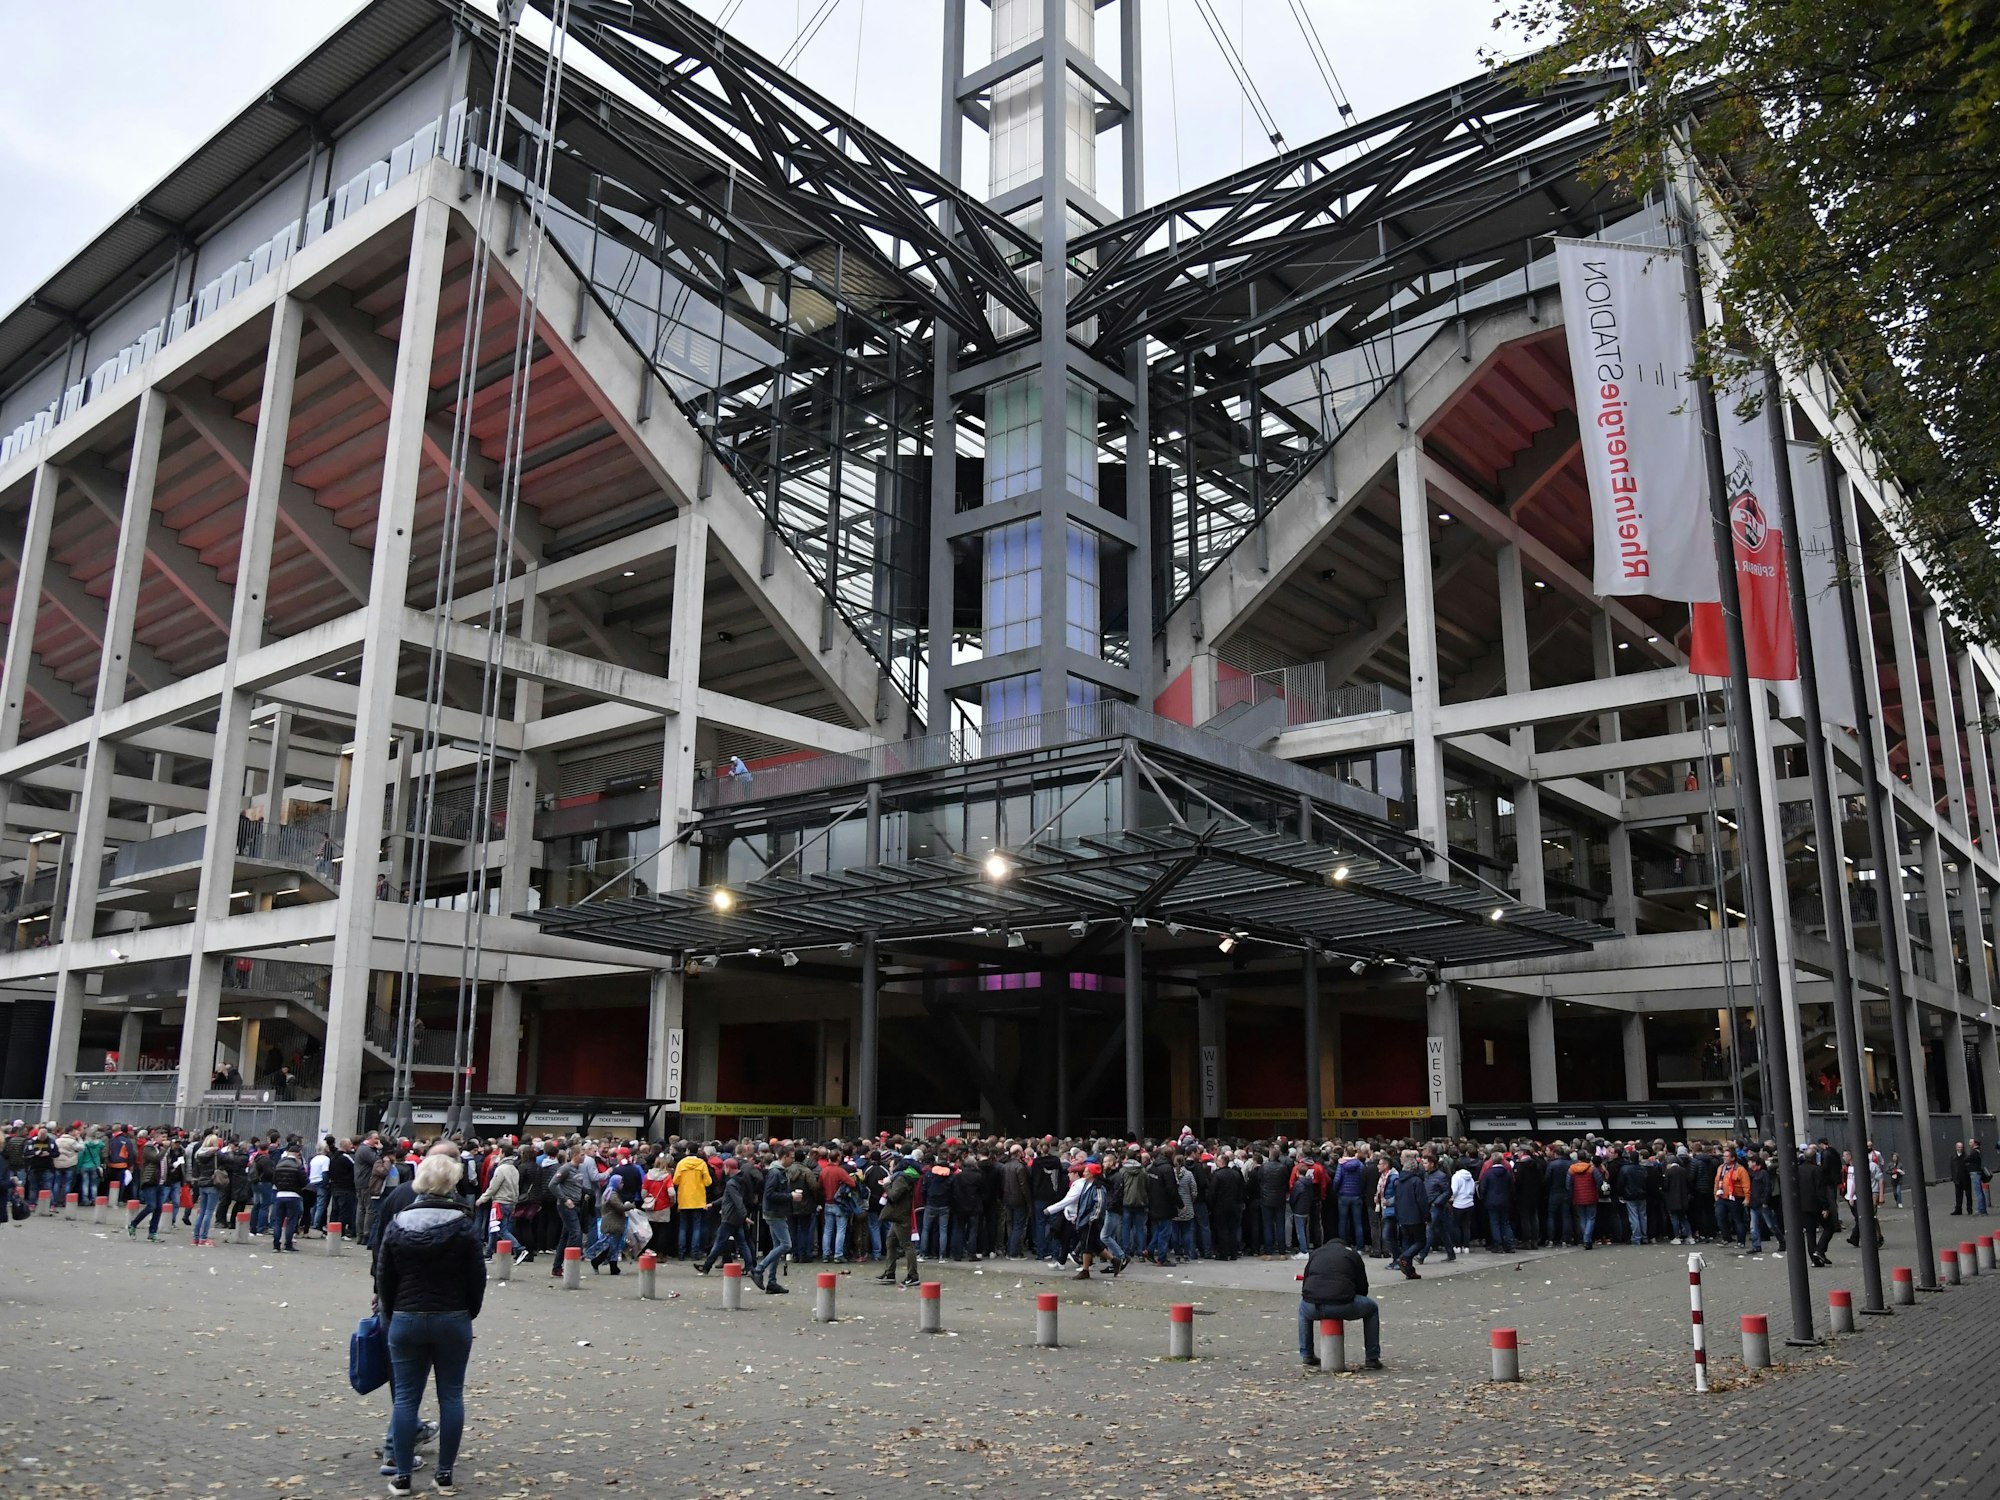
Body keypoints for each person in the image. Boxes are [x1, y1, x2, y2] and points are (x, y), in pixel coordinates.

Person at [375, 1151, 486, 1495]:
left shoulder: (397, 1225)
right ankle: (444, 1474)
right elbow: (477, 1278)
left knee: (406, 1398)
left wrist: (393, 1313)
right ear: (451, 1183)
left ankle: (403, 1476)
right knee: (451, 1396)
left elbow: (384, 1277)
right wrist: (469, 1311)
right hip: (452, 1317)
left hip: (406, 1317)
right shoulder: (464, 1228)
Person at [1298, 1233, 1384, 1369]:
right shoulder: (1352, 1255)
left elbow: (1306, 1284)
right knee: (1372, 1308)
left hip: (1313, 1305)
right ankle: (1372, 1358)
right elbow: (1363, 1287)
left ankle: (1307, 1354)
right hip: (1343, 1304)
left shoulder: (1316, 1253)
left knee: (1302, 1310)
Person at [876, 1156, 920, 1286]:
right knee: (890, 1242)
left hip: (900, 1215)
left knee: (907, 1245)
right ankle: (890, 1272)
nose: (890, 1167)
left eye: (891, 1165)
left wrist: (886, 1185)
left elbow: (894, 1196)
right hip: (898, 1215)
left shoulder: (900, 1178)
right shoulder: (902, 1177)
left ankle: (913, 1275)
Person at [474, 1145, 519, 1258]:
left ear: (502, 1153)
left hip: (500, 1202)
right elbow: (516, 1188)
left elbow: (493, 1187)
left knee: (500, 1230)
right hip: (510, 1201)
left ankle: (519, 1248)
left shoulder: (501, 1169)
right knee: (495, 1228)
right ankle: (489, 1252)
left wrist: (482, 1199)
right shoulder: (514, 1169)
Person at [269, 1144, 306, 1251]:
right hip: (293, 1195)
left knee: (278, 1221)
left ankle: (276, 1245)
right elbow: (304, 1181)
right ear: (297, 1154)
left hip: (280, 1194)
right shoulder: (298, 1165)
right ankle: (288, 1245)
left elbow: (274, 1179)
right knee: (291, 1221)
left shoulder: (279, 1164)